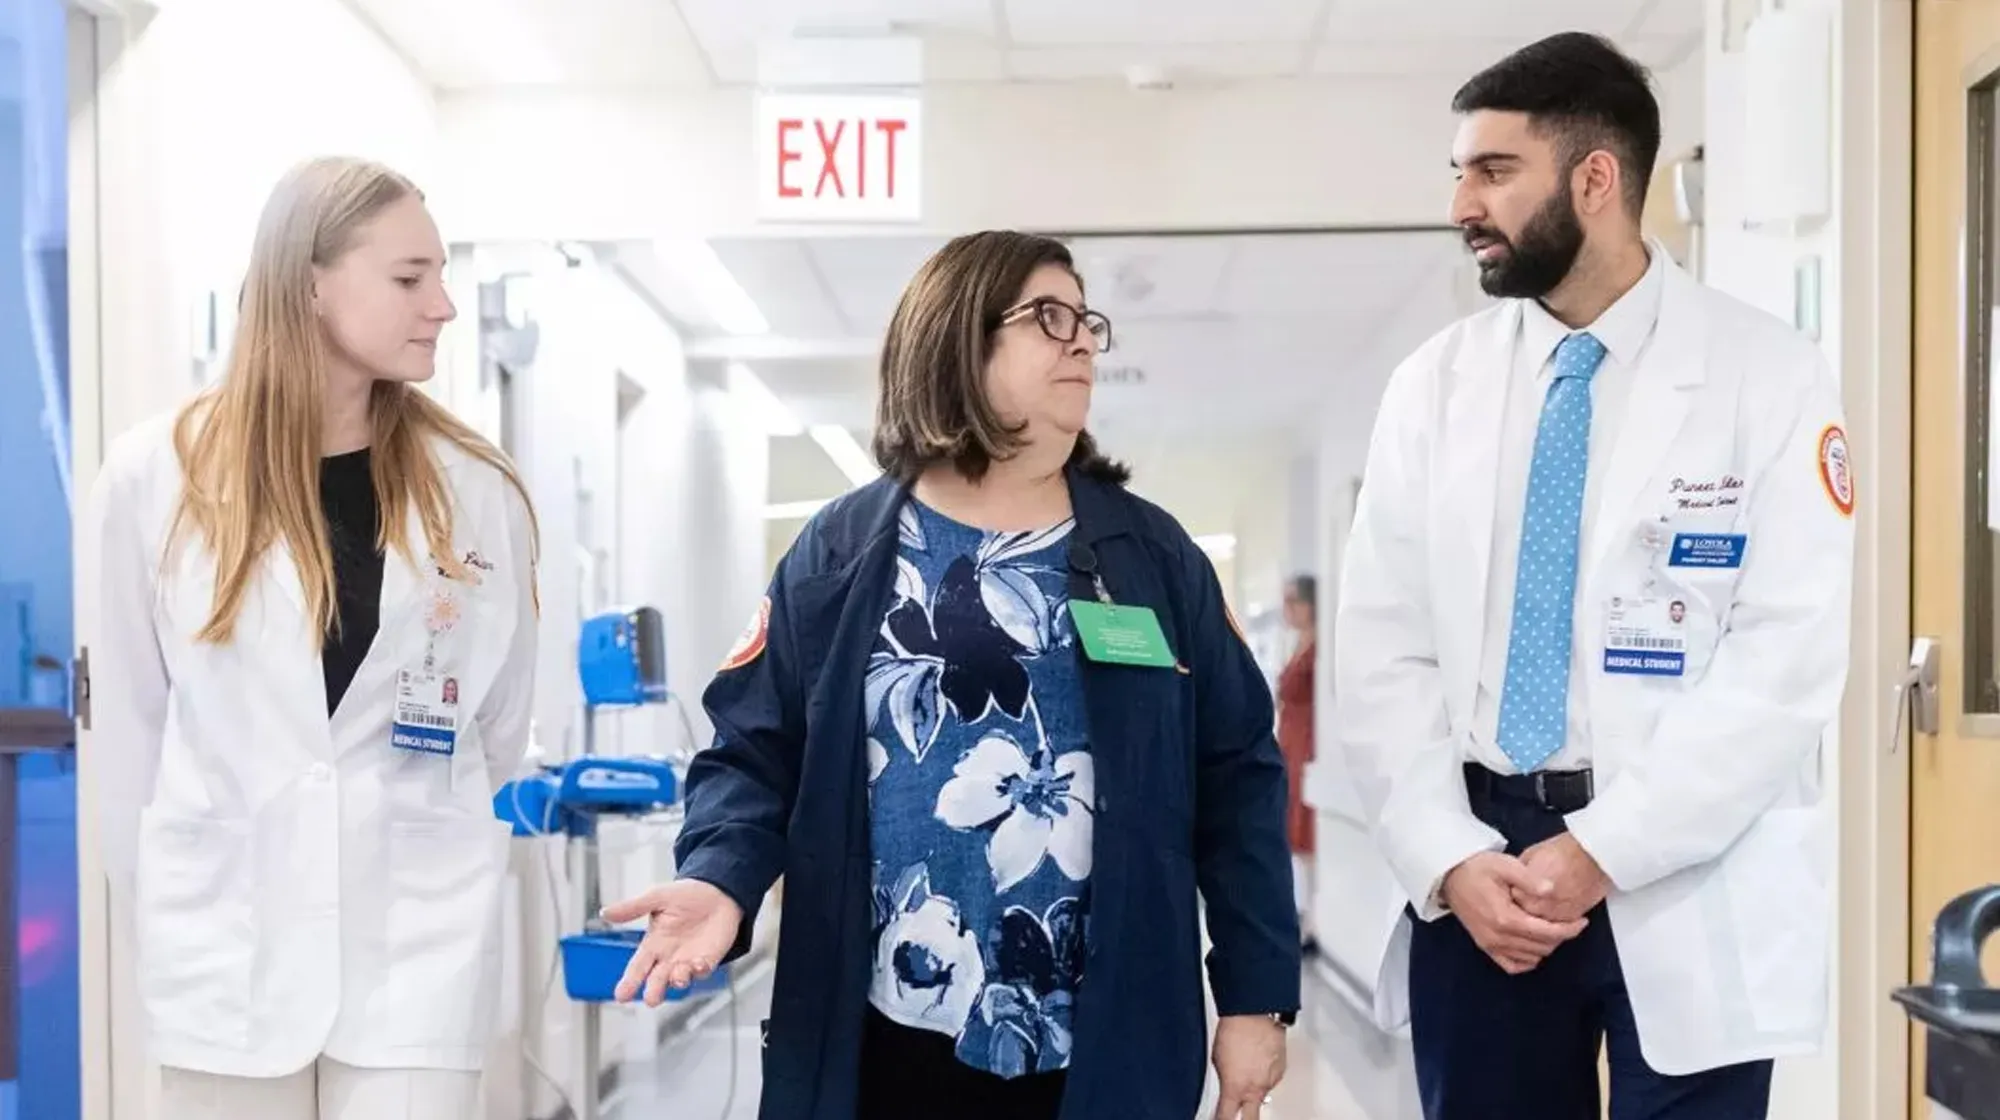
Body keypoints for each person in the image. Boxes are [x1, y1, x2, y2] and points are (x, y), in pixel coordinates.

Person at [603, 230, 1302, 1120]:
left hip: (1108, 1035)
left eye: (1089, 319)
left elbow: (1239, 776)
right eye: (1049, 317)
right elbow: (752, 751)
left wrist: (1255, 993)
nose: (1083, 339)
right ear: (956, 339)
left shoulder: (1153, 559)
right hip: (882, 1033)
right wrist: (719, 878)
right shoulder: (842, 553)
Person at [1333, 33, 1853, 1120]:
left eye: (1490, 171)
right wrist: (1446, 854)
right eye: (1458, 173)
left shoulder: (1766, 376)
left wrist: (1605, 849)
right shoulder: (1432, 389)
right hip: (1480, 866)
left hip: (1678, 857)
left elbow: (1784, 658)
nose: (1459, 204)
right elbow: (1382, 648)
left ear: (1594, 179)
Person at [87, 156, 541, 1119]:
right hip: (226, 945)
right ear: (310, 284)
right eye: (410, 278)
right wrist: (179, 911)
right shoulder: (152, 478)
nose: (444, 306)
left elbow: (500, 723)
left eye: (442, 275)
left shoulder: (476, 488)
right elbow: (127, 735)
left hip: (416, 945)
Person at [1275, 574, 1319, 956]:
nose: (1288, 610)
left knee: (1306, 834)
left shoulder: (1318, 648)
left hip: (1307, 744)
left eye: (1294, 601)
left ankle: (1311, 920)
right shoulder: (1299, 645)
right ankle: (1300, 913)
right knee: (1293, 834)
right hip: (1290, 743)